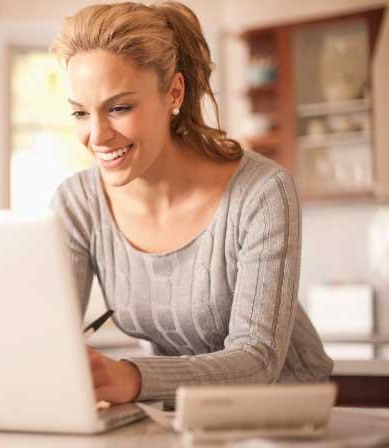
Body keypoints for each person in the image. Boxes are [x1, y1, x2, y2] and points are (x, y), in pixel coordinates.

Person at [49, 1, 333, 404]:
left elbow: (257, 361)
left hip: (287, 414)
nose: (97, 136)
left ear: (174, 93)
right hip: (178, 412)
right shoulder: (78, 203)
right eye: (80, 112)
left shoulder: (262, 193)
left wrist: (132, 377)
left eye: (119, 108)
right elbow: (49, 340)